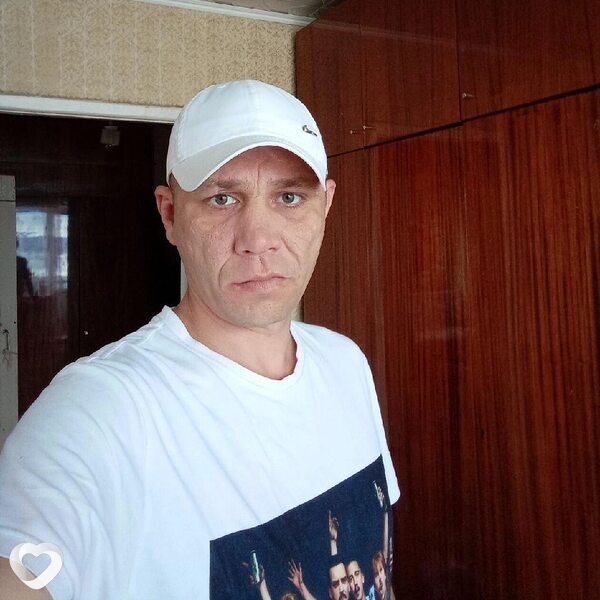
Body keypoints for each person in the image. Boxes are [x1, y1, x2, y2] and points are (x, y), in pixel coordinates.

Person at [0, 79, 399, 599]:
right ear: (170, 214)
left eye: (289, 197)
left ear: (325, 206)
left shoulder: (346, 364)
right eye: (222, 198)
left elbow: (376, 570)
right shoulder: (100, 413)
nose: (258, 239)